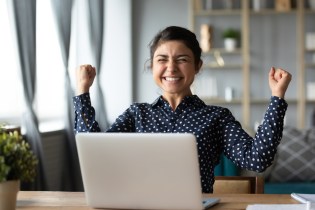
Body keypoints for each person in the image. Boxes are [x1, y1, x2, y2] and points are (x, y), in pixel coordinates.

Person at [73, 26, 292, 193]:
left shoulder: (217, 117)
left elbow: (258, 159)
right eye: (162, 59)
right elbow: (96, 154)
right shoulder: (136, 114)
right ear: (152, 67)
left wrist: (277, 98)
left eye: (182, 59)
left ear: (198, 66)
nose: (171, 67)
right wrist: (83, 91)